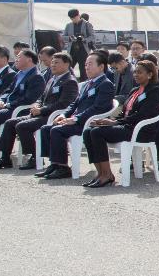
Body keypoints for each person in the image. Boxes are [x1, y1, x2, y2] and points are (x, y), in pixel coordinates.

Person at [79, 59, 159, 188]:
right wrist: (109, 121)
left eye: (139, 72)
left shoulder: (154, 91)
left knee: (97, 133)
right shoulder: (135, 91)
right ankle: (100, 173)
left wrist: (115, 122)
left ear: (150, 75)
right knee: (88, 131)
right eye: (135, 72)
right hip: (126, 126)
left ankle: (107, 175)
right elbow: (125, 113)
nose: (135, 75)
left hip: (140, 130)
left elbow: (143, 115)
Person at [34, 51, 117, 180]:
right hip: (77, 119)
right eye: (85, 65)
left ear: (101, 67)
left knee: (57, 131)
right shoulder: (87, 84)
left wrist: (76, 119)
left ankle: (63, 167)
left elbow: (97, 108)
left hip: (88, 122)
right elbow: (74, 104)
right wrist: (63, 114)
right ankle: (54, 163)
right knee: (46, 128)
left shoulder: (105, 84)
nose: (87, 67)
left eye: (90, 64)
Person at [0, 52, 78, 170]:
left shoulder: (69, 81)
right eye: (52, 62)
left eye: (57, 62)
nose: (53, 65)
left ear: (66, 64)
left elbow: (64, 104)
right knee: (10, 123)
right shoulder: (52, 79)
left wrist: (41, 110)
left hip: (52, 116)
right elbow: (41, 98)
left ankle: (35, 157)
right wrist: (37, 105)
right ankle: (5, 158)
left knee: (22, 126)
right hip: (40, 113)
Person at [62, 9, 95, 78]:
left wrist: (84, 39)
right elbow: (63, 37)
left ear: (79, 15)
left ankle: (84, 84)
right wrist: (70, 38)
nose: (73, 19)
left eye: (74, 18)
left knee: (83, 70)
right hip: (72, 50)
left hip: (83, 50)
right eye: (71, 18)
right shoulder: (68, 25)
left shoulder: (87, 24)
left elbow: (92, 36)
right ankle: (69, 81)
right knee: (68, 68)